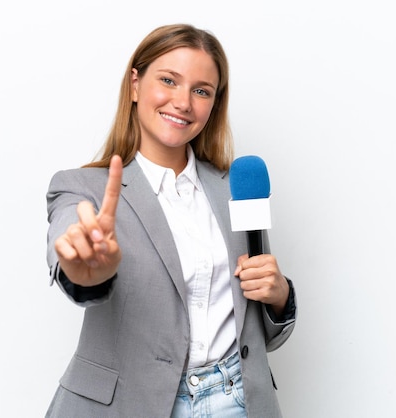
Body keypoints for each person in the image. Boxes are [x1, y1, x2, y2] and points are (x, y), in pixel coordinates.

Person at [45, 23, 297, 417]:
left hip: (237, 400)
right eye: (168, 80)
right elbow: (71, 250)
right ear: (134, 84)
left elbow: (259, 322)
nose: (184, 102)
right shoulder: (81, 188)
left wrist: (279, 295)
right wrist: (86, 271)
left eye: (201, 90)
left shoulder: (233, 187)